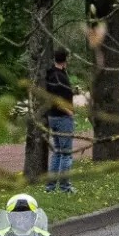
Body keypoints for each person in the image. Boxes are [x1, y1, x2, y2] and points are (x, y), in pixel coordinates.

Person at [45, 47, 76, 194]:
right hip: (62, 117)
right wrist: (69, 112)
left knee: (57, 152)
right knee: (66, 154)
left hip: (52, 117)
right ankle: (65, 186)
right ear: (65, 59)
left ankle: (50, 186)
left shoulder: (51, 74)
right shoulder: (60, 77)